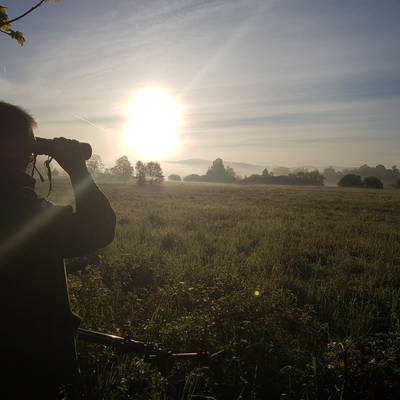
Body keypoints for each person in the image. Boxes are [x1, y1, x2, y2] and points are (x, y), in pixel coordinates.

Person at [0, 101, 116, 399]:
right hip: (25, 361)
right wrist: (77, 169)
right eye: (28, 143)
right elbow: (100, 228)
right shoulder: (18, 210)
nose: (32, 153)